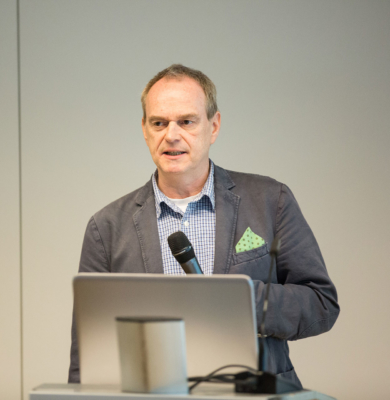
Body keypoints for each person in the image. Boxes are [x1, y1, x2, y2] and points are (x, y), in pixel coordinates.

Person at [68, 64, 339, 386]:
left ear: (214, 126)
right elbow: (87, 353)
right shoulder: (106, 228)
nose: (171, 135)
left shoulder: (270, 200)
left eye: (186, 121)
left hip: (256, 393)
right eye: (159, 123)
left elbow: (321, 304)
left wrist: (238, 300)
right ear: (145, 129)